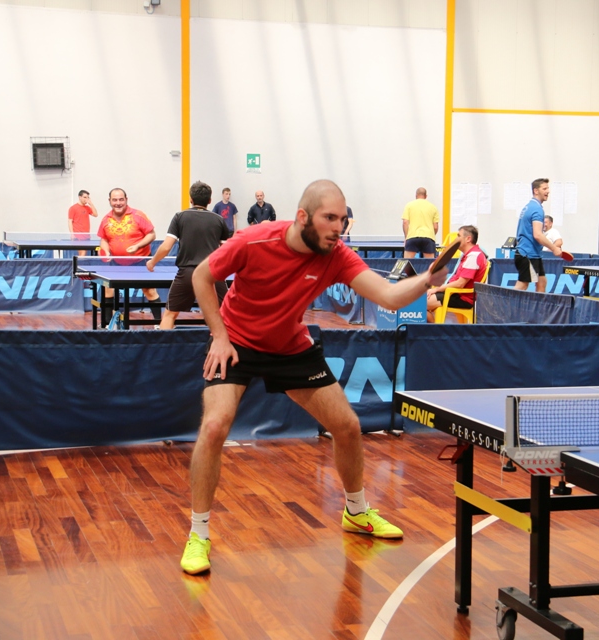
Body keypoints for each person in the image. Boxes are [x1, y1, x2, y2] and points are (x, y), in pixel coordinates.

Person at [179, 179, 449, 575]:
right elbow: (201, 276)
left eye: (342, 218)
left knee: (348, 426)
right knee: (215, 426)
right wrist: (218, 336)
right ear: (303, 216)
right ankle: (199, 533)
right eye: (329, 218)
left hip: (291, 346)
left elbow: (388, 296)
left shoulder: (336, 255)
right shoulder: (254, 240)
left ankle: (356, 512)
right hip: (238, 342)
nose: (338, 227)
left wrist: (427, 281)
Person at [147, 181, 230, 329]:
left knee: (170, 314)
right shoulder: (219, 220)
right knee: (224, 314)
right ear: (210, 201)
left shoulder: (180, 217)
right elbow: (227, 250)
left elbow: (166, 247)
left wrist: (152, 262)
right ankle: (224, 349)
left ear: (191, 199)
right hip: (212, 272)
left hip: (187, 273)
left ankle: (163, 351)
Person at [97, 188, 161, 325]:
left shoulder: (138, 215)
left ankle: (159, 324)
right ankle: (108, 325)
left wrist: (137, 246)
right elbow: (104, 239)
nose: (118, 203)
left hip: (141, 260)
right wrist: (106, 250)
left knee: (149, 291)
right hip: (117, 262)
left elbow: (152, 234)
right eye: (115, 200)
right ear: (110, 201)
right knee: (108, 290)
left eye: (121, 199)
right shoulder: (106, 219)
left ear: (126, 199)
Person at [426, 225, 487, 322]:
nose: (456, 239)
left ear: (468, 239)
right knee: (418, 302)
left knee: (419, 306)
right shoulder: (468, 255)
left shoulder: (473, 256)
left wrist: (437, 289)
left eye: (459, 236)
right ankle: (435, 330)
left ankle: (435, 333)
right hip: (454, 293)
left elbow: (460, 284)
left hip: (461, 297)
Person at [514, 178, 564, 293]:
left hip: (533, 254)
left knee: (542, 282)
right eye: (544, 188)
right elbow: (537, 235)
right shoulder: (536, 209)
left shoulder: (529, 206)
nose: (548, 191)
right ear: (536, 191)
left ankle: (539, 310)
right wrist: (554, 248)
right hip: (527, 254)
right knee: (522, 286)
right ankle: (506, 309)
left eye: (548, 188)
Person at [402, 187, 439, 258]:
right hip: (428, 237)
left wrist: (407, 237)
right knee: (430, 265)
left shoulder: (409, 205)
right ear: (426, 196)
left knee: (407, 264)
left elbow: (405, 222)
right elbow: (435, 227)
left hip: (412, 237)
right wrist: (431, 235)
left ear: (416, 195)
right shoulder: (433, 207)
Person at [68, 190, 98, 256]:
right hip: (78, 234)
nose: (86, 199)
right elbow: (70, 221)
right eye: (85, 197)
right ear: (80, 197)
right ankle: (78, 265)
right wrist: (72, 234)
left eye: (87, 197)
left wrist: (91, 204)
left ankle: (78, 265)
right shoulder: (73, 208)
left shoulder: (87, 208)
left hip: (86, 235)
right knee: (83, 252)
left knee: (82, 253)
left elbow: (95, 214)